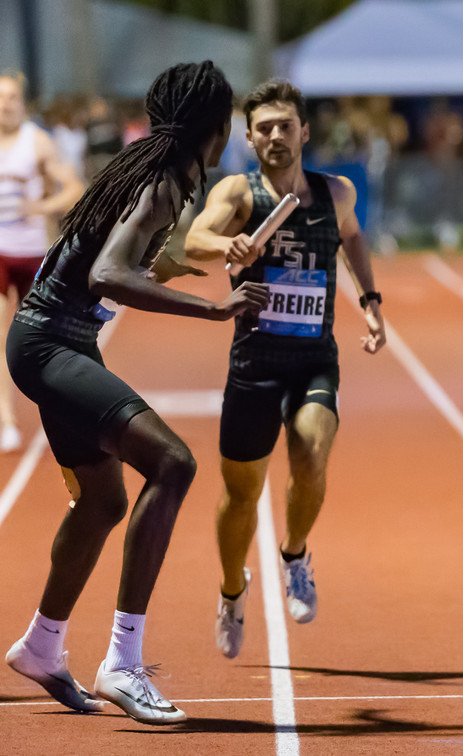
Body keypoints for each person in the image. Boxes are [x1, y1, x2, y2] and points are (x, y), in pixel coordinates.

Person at [3, 61, 270, 725]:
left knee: (102, 501)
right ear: (217, 127)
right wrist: (211, 310)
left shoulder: (154, 171)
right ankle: (123, 663)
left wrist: (195, 260)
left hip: (55, 341)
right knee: (173, 462)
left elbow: (131, 259)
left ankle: (42, 646)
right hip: (50, 344)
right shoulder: (163, 180)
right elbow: (110, 273)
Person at [183, 79, 386, 660]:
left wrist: (371, 303)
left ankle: (295, 553)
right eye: (264, 127)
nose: (276, 135)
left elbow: (352, 239)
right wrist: (228, 247)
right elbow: (193, 236)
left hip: (314, 357)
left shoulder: (335, 192)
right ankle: (230, 590)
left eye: (285, 125)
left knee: (311, 451)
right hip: (255, 360)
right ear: (249, 137)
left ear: (304, 131)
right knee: (241, 493)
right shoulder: (239, 194)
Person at [0, 70, 84, 452]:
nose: (5, 105)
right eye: (0, 99)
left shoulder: (38, 143)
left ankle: (62, 412)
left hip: (33, 250)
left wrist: (43, 206)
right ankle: (6, 419)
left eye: (12, 98)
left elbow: (74, 189)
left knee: (43, 338)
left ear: (23, 102)